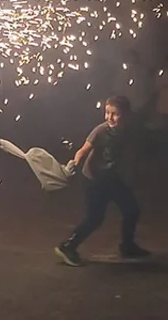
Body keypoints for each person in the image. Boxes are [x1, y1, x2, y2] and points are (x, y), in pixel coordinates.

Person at [55, 96, 149, 267]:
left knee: (132, 210)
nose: (109, 117)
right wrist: (74, 163)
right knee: (95, 218)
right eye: (107, 112)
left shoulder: (129, 130)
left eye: (115, 114)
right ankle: (68, 246)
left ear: (126, 115)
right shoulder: (100, 130)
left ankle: (127, 246)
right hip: (94, 179)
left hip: (111, 178)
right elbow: (83, 150)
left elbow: (129, 155)